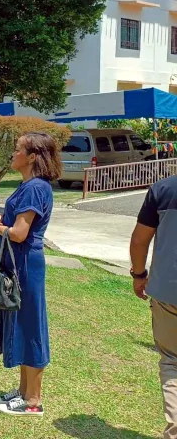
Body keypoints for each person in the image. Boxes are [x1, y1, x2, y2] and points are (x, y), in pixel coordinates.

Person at [0, 132, 60, 417]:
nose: (13, 154)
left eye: (17, 149)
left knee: (31, 327)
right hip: (17, 263)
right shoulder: (28, 186)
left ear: (33, 156)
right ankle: (23, 392)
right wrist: (0, 220)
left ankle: (33, 400)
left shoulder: (35, 187)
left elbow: (21, 234)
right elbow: (16, 223)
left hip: (26, 265)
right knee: (21, 325)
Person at [130, 175, 177, 438]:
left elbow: (139, 240)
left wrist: (139, 275)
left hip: (169, 292)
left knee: (172, 362)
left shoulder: (164, 189)